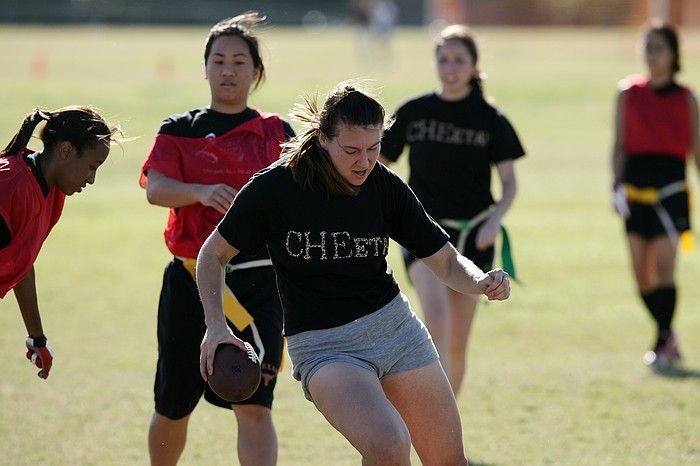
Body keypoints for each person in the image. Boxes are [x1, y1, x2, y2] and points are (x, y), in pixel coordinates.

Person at [197, 83, 511, 465]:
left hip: (397, 332)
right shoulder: (275, 188)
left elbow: (444, 261)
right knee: (388, 445)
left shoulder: (385, 186)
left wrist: (480, 281)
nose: (364, 162)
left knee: (448, 460)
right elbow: (212, 256)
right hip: (325, 347)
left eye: (374, 148)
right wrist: (216, 326)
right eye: (351, 150)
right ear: (324, 139)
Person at [139, 13, 294, 466]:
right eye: (219, 60)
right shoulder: (180, 128)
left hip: (259, 284)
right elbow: (155, 188)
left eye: (239, 61)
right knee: (173, 404)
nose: (228, 70)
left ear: (256, 72)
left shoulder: (276, 133)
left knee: (255, 404)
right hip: (189, 278)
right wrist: (200, 192)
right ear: (205, 67)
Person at [379, 24, 525, 394]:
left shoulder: (491, 119)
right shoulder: (414, 112)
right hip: (423, 232)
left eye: (459, 60)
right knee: (437, 324)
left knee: (457, 342)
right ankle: (427, 420)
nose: (450, 67)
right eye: (443, 59)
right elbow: (377, 162)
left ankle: (446, 428)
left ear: (475, 66)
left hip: (475, 234)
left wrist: (494, 221)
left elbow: (509, 183)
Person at [0, 106, 117, 380]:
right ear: (66, 151)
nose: (91, 179)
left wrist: (37, 337)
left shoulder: (50, 188)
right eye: (91, 166)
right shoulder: (10, 188)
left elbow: (22, 262)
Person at [610, 22, 699, 367]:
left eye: (659, 48)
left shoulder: (686, 97)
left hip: (671, 193)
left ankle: (661, 342)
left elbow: (696, 152)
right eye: (647, 47)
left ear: (674, 54)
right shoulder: (628, 92)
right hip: (634, 192)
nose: (652, 55)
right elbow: (619, 145)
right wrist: (616, 184)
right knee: (641, 274)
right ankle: (668, 333)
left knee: (664, 267)